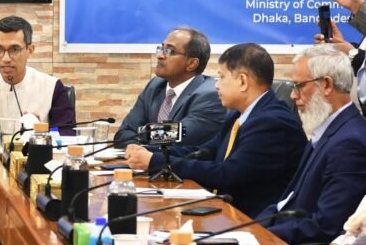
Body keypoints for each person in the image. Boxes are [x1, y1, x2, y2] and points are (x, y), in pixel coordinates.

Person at [124, 43, 305, 217]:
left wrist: (155, 161)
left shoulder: (271, 122)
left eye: (222, 77)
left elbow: (227, 174)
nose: (216, 84)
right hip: (227, 210)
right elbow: (205, 152)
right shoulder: (238, 115)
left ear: (242, 81)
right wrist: (148, 151)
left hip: (256, 221)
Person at [257, 44, 366, 245]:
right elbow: (287, 201)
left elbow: (327, 225)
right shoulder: (326, 130)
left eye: (298, 86)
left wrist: (262, 236)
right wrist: (253, 228)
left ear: (326, 85)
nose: (293, 95)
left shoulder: (350, 143)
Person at [114, 27, 227, 147]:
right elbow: (122, 134)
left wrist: (139, 138)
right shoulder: (154, 85)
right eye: (162, 48)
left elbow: (178, 137)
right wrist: (140, 144)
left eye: (170, 51)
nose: (160, 55)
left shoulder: (211, 94)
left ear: (191, 63)